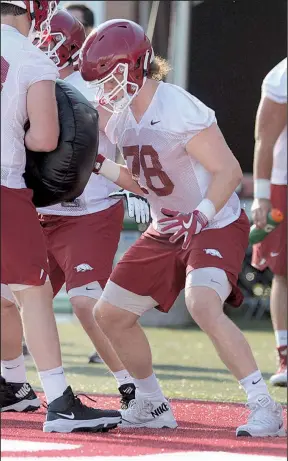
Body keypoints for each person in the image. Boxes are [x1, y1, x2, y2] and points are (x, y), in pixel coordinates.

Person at [78, 19, 285, 436]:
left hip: (213, 221)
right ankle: (152, 404)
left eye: (110, 76)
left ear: (136, 66)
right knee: (110, 314)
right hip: (169, 224)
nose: (104, 90)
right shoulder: (120, 119)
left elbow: (226, 170)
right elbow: (148, 181)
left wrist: (202, 215)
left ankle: (265, 406)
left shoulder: (177, 108)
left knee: (203, 303)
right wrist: (101, 165)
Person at [0, 1, 121, 431]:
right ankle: (59, 402)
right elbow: (45, 136)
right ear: (34, 12)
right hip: (4, 184)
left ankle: (10, 387)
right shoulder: (32, 58)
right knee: (33, 293)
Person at [35, 8, 149, 406]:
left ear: (66, 48)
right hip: (42, 213)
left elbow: (126, 136)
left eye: (44, 40)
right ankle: (12, 380)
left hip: (89, 210)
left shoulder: (90, 92)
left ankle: (133, 386)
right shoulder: (26, 79)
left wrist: (140, 184)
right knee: (12, 299)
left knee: (87, 302)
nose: (35, 45)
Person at [251, 58, 287, 387]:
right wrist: (261, 196)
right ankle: (285, 355)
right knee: (284, 271)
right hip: (284, 184)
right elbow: (265, 138)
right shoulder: (282, 75)